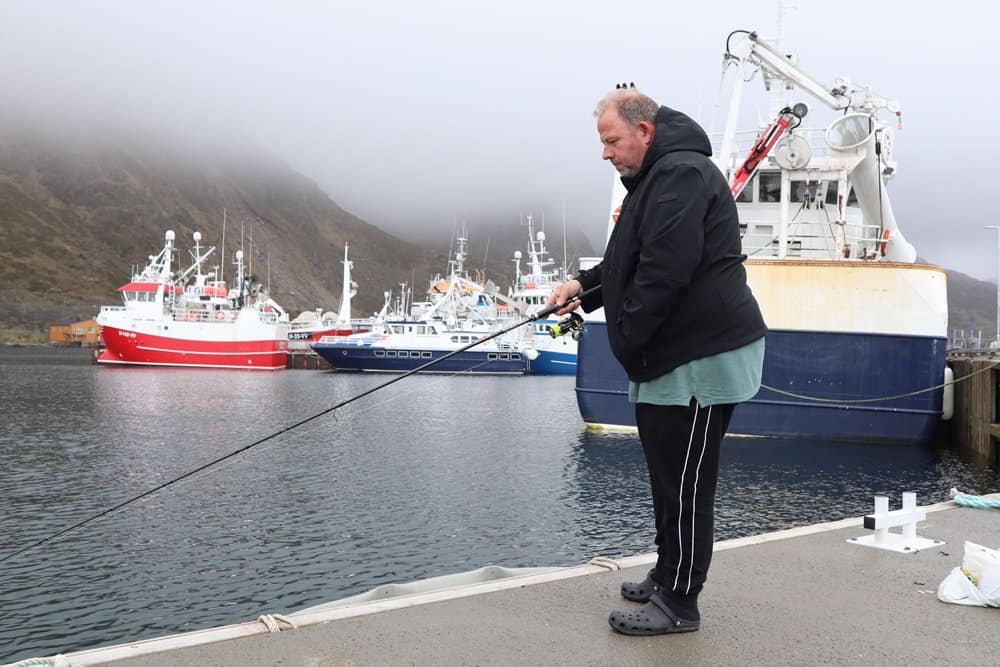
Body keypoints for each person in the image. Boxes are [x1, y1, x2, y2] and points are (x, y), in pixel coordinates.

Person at [546, 88, 766, 636]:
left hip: (701, 357)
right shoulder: (655, 180)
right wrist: (584, 287)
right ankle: (669, 573)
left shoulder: (681, 175)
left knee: (687, 481)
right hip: (672, 356)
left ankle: (680, 604)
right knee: (668, 477)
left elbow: (664, 272)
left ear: (644, 131)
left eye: (611, 140)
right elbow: (628, 260)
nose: (606, 153)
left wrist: (627, 342)